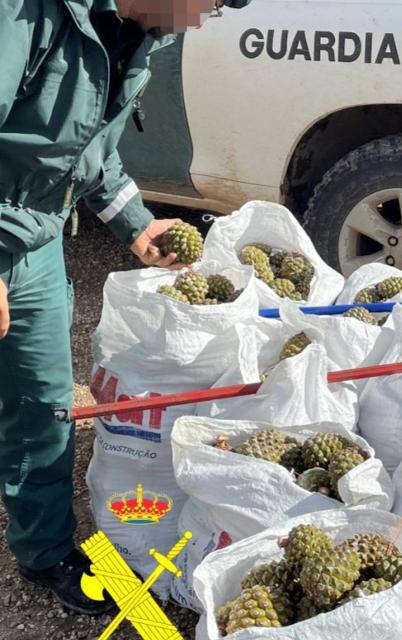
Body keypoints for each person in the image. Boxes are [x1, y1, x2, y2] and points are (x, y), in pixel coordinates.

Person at [0, 0, 249, 614]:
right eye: (207, 3)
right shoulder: (28, 14)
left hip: (35, 242)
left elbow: (90, 151)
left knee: (42, 406)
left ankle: (45, 550)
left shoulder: (134, 36)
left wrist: (135, 225)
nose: (198, 22)